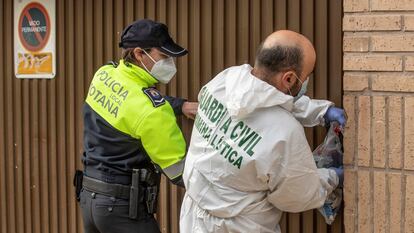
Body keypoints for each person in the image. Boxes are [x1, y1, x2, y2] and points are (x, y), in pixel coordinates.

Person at [179, 30, 346, 233]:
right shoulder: (285, 133)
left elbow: (260, 99)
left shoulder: (224, 81)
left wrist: (320, 111)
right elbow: (296, 195)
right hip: (239, 227)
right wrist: (332, 177)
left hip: (192, 217)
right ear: (290, 79)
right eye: (306, 76)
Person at [76, 19, 197, 233]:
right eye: (165, 57)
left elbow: (132, 102)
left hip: (90, 200)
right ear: (140, 54)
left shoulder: (104, 74)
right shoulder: (153, 111)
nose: (170, 64)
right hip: (123, 212)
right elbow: (181, 172)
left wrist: (180, 105)